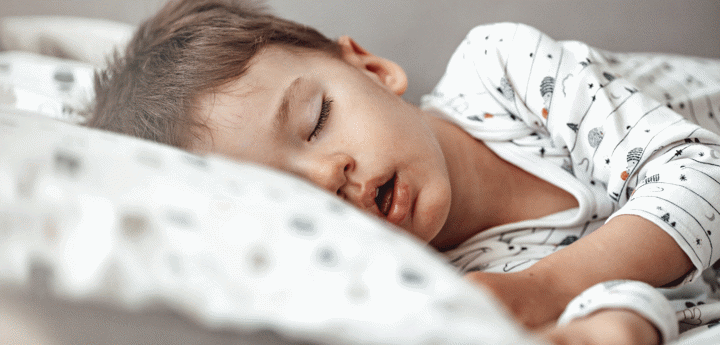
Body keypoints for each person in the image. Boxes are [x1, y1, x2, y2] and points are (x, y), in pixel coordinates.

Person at [88, 0, 720, 343]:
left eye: (315, 120)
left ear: (371, 68)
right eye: (287, 195)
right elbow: (679, 294)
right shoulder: (448, 282)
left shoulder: (506, 72)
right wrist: (618, 320)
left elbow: (701, 174)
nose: (328, 177)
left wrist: (545, 290)